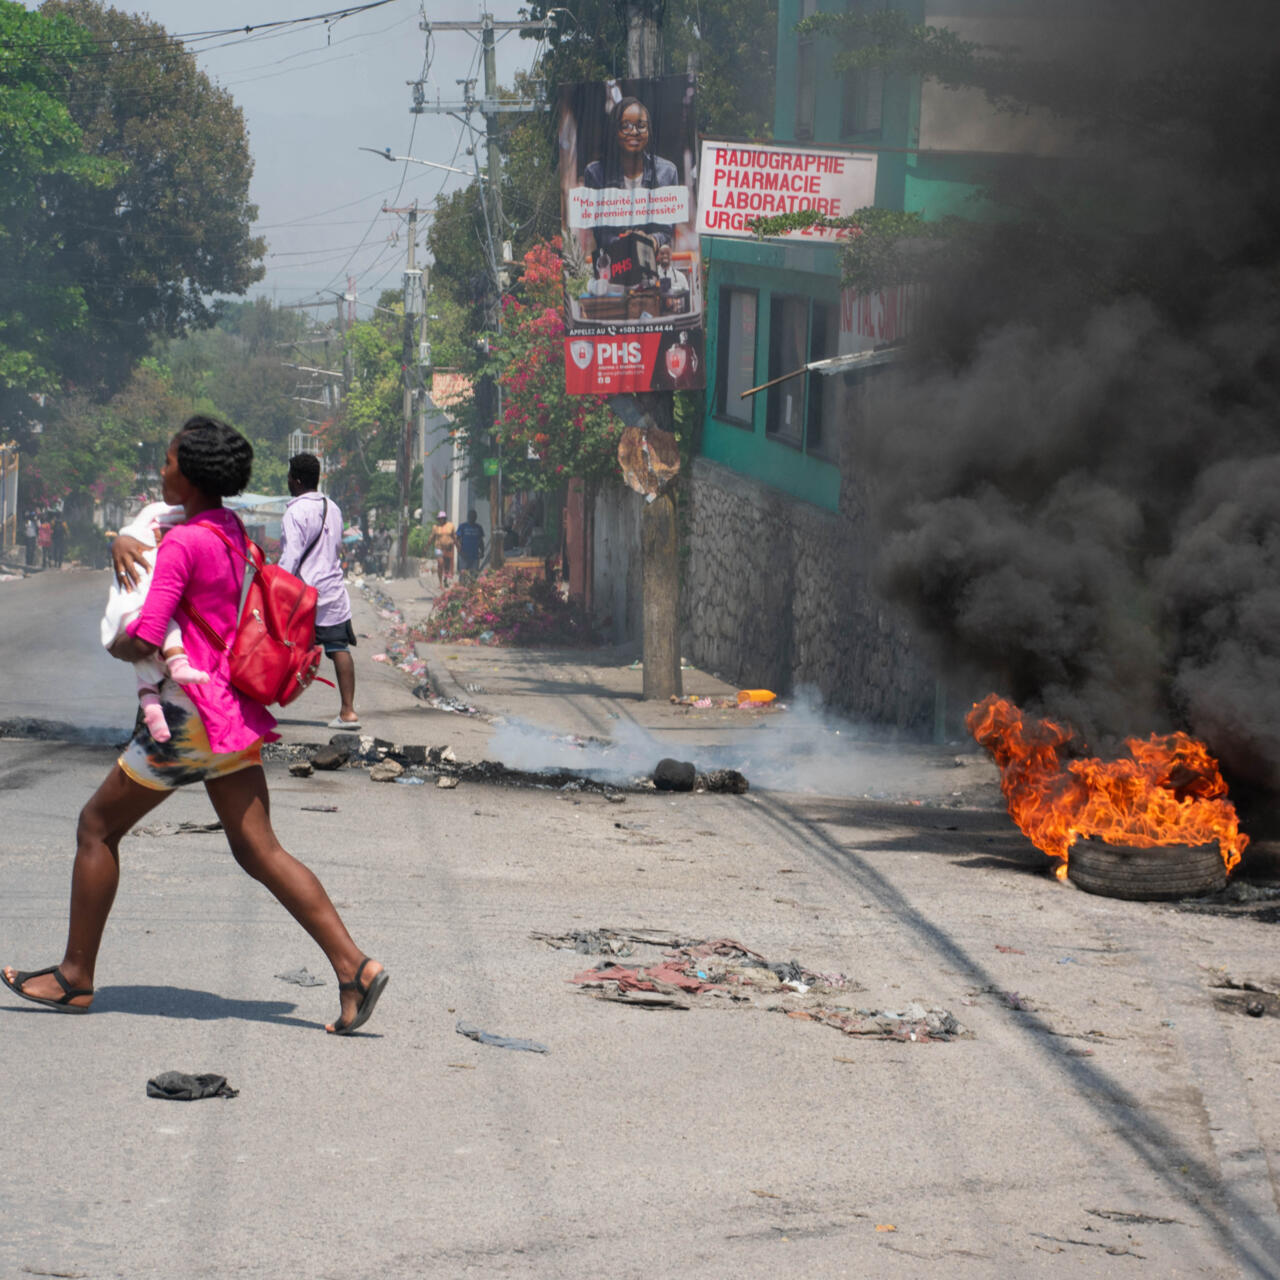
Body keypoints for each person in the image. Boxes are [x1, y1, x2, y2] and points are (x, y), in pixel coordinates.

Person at [2, 416, 386, 1035]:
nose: (161, 470)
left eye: (168, 461)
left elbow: (148, 634)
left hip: (186, 718)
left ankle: (74, 977)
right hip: (228, 710)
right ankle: (355, 967)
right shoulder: (228, 531)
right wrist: (119, 540)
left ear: (192, 473)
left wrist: (117, 642)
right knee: (259, 849)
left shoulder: (184, 544)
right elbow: (153, 529)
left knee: (96, 827)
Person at [100, 500, 210, 743]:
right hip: (163, 637)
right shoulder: (152, 549)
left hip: (184, 647)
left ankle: (151, 733)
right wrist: (123, 541)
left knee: (150, 677)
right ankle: (149, 732)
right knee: (151, 673)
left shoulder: (197, 539)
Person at [279, 452, 360, 731]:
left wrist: (278, 586)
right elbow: (335, 547)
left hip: (303, 594)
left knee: (278, 644)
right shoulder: (333, 508)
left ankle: (259, 703)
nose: (288, 481)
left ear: (297, 481)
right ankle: (348, 712)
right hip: (332, 591)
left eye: (289, 477)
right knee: (339, 649)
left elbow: (291, 555)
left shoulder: (295, 512)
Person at [582, 96, 679, 278]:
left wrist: (651, 241)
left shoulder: (668, 171)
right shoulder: (595, 174)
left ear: (649, 131)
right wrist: (625, 242)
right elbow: (600, 232)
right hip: (613, 271)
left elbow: (666, 230)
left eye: (641, 126)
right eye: (625, 126)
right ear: (614, 131)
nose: (634, 132)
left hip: (654, 271)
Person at [427, 510, 455, 588]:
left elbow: (454, 536)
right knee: (440, 563)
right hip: (438, 548)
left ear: (445, 518)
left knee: (447, 565)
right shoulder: (435, 527)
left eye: (442, 518)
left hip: (448, 548)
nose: (441, 520)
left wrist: (457, 545)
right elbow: (431, 537)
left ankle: (445, 579)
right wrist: (427, 546)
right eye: (440, 518)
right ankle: (440, 583)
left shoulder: (450, 526)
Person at [455, 509, 486, 579]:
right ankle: (462, 586)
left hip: (475, 555)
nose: (472, 517)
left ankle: (472, 586)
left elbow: (481, 541)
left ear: (476, 517)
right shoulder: (462, 526)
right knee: (463, 575)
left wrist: (482, 551)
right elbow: (456, 540)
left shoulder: (479, 527)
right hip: (464, 555)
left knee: (473, 576)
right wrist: (460, 551)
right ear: (468, 516)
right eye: (471, 516)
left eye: (474, 516)